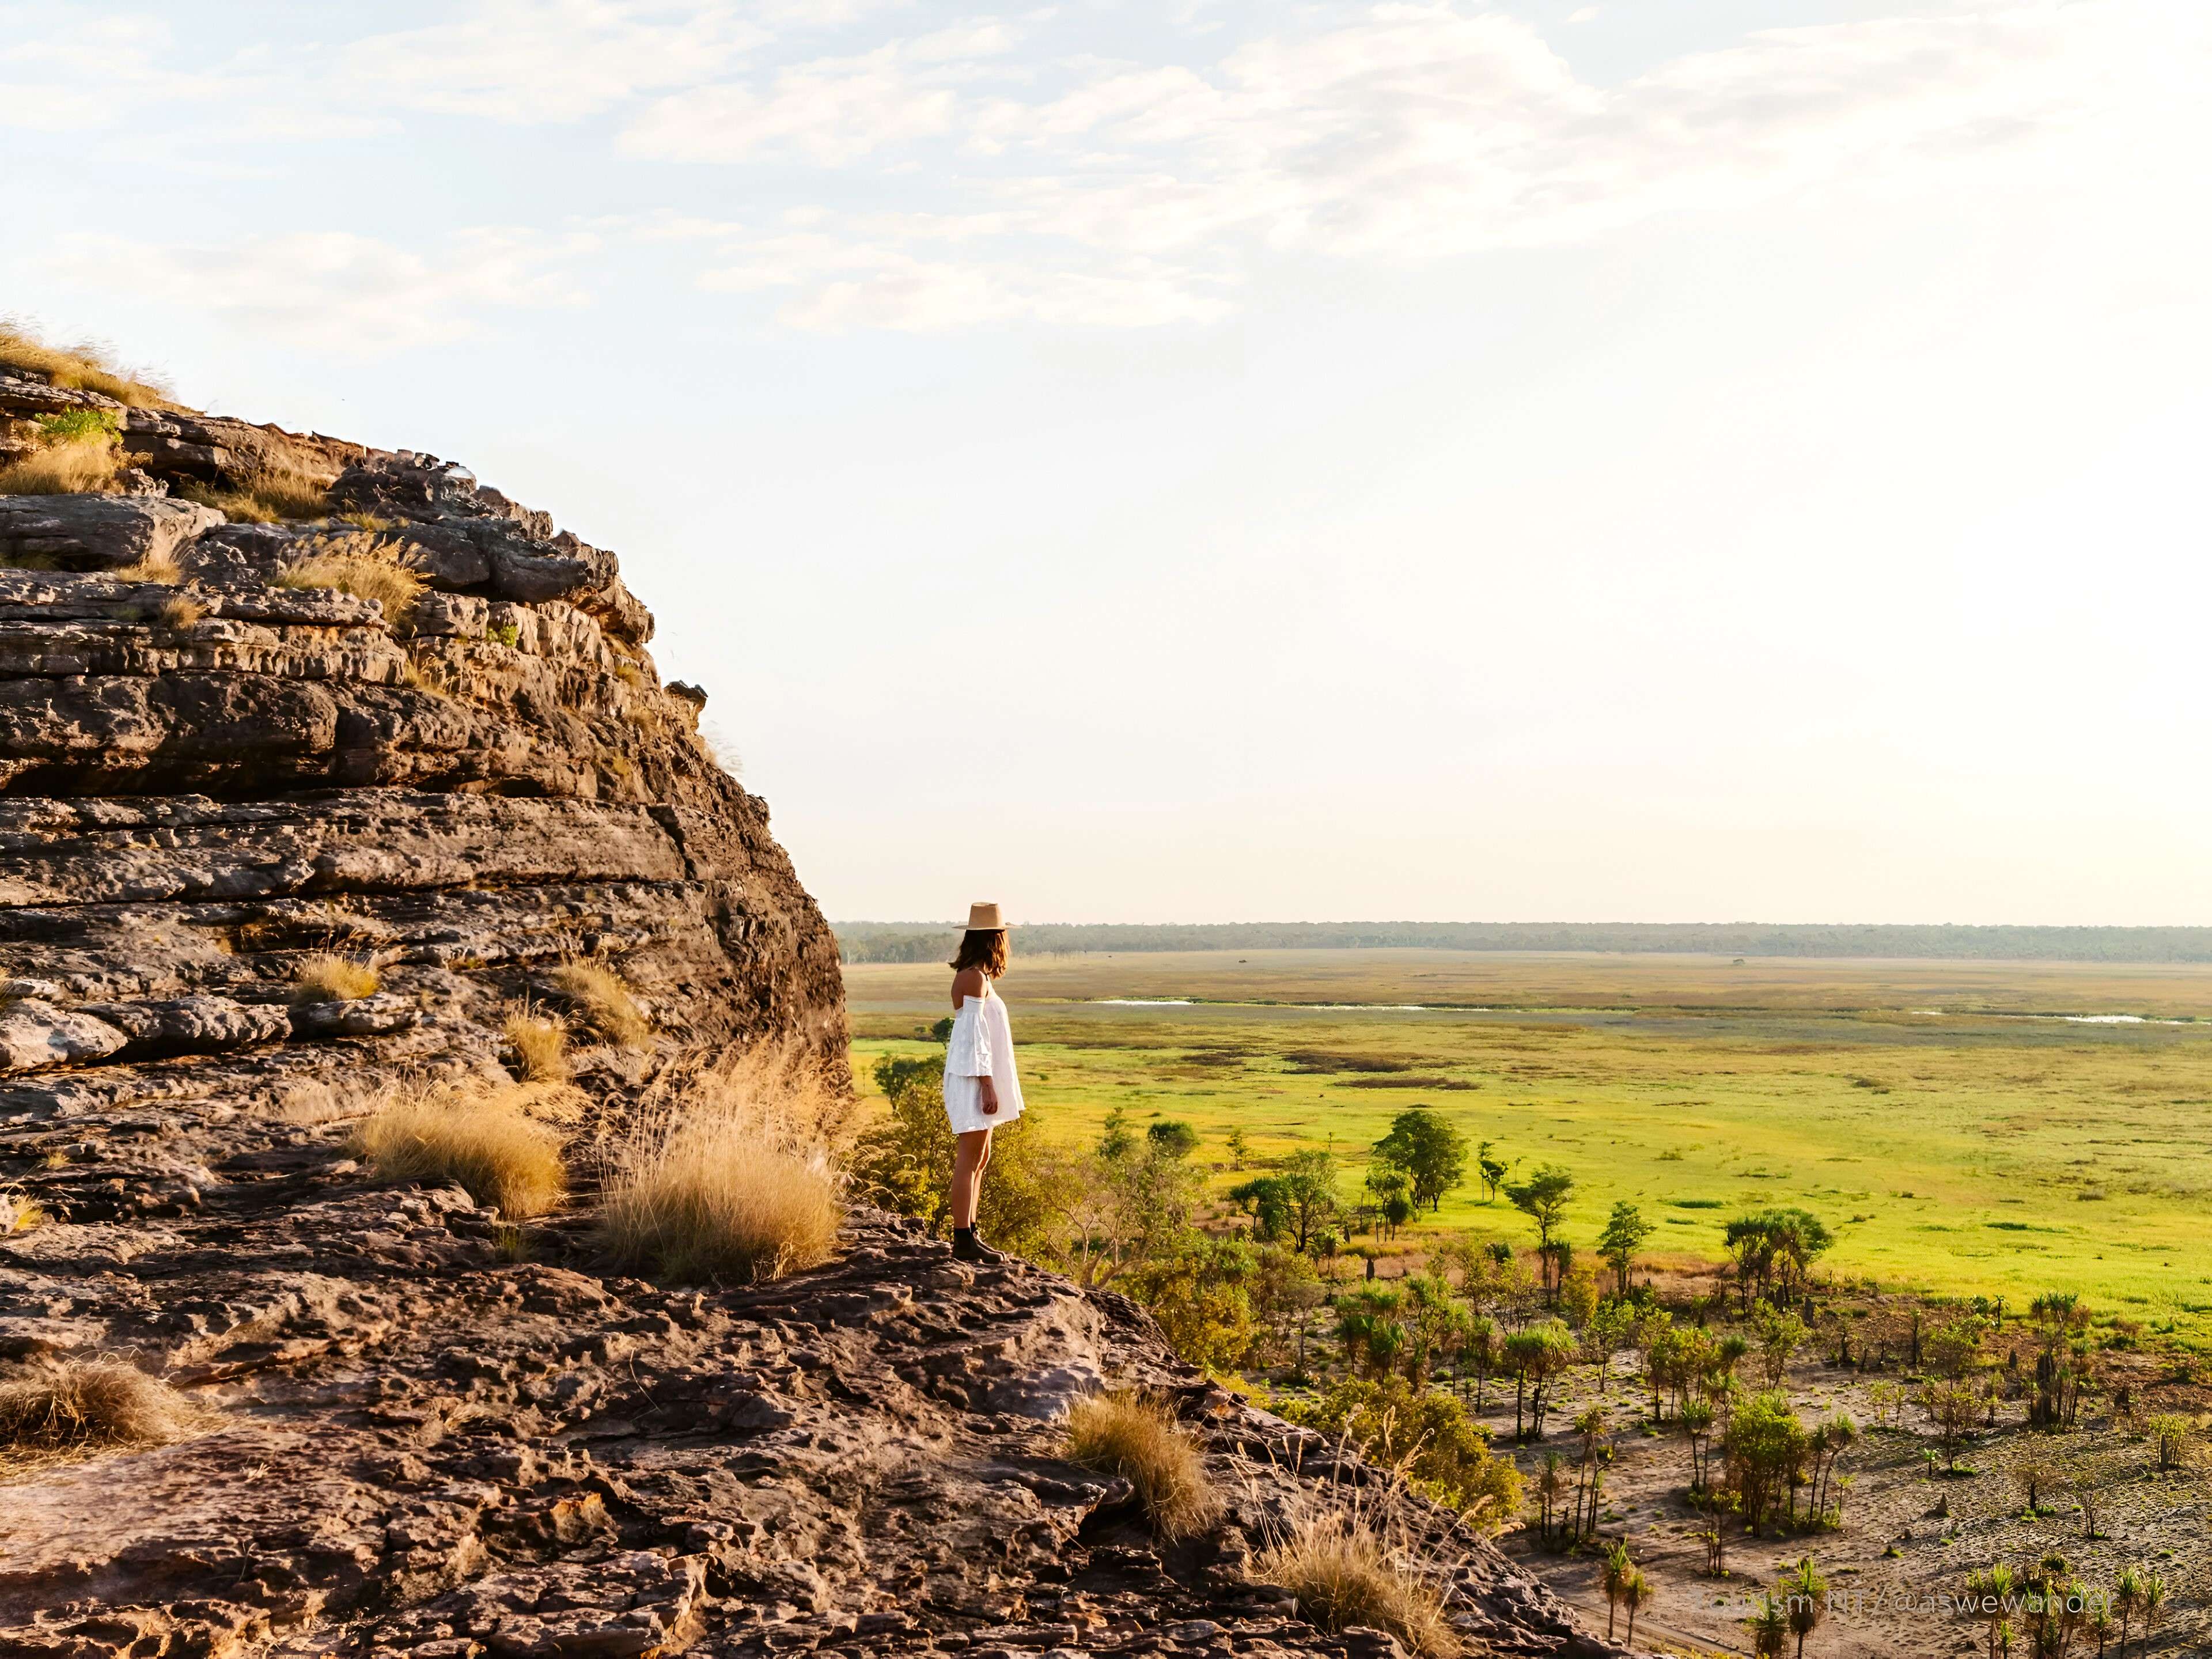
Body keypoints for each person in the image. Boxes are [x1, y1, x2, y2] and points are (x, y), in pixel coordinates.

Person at [942, 901, 1024, 1263]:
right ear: (995, 939)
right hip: (973, 1077)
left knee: (981, 1155)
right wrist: (988, 1084)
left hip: (977, 1074)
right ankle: (962, 1240)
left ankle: (971, 1233)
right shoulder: (974, 978)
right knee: (969, 1157)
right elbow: (973, 1038)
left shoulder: (979, 976)